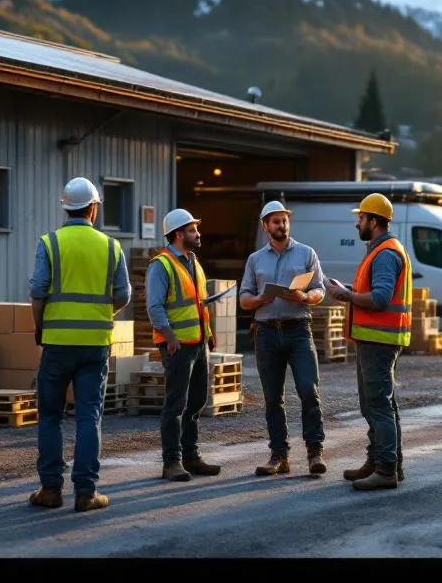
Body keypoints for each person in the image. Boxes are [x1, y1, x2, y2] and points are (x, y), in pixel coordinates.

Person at [26, 177, 131, 513]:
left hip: (57, 343)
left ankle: (50, 490)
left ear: (65, 207)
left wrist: (40, 328)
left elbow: (38, 291)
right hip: (94, 345)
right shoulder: (111, 247)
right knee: (89, 416)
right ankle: (86, 493)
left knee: (50, 417)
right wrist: (101, 313)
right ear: (93, 208)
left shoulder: (50, 243)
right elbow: (124, 295)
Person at [325, 192, 412, 491]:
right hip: (377, 340)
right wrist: (347, 288)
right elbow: (373, 290)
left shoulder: (386, 253)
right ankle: (383, 462)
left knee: (377, 405)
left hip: (379, 342)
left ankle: (385, 470)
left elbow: (379, 298)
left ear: (374, 221)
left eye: (360, 218)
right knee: (381, 404)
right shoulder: (381, 249)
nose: (357, 223)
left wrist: (347, 296)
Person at [239, 200, 329, 477]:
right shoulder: (255, 260)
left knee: (308, 390)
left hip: (298, 329)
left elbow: (320, 290)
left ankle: (315, 453)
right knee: (272, 398)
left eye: (285, 221)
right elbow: (243, 300)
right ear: (265, 226)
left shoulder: (306, 253)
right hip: (266, 332)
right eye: (275, 221)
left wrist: (304, 296)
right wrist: (261, 298)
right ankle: (279, 456)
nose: (282, 225)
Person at [147, 207, 223, 482]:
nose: (198, 233)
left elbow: (198, 305)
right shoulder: (162, 265)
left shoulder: (193, 261)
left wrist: (209, 333)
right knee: (175, 405)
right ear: (179, 234)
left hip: (198, 343)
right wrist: (170, 338)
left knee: (197, 401)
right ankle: (172, 462)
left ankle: (191, 456)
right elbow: (154, 307)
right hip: (177, 346)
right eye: (193, 230)